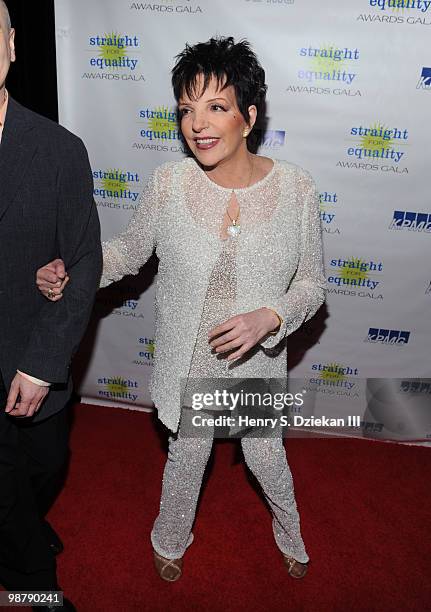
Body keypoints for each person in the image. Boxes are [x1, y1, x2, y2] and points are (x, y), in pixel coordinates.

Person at [37, 37, 326, 583]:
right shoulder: (168, 183)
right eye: (187, 110)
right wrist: (75, 272)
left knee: (269, 464)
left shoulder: (295, 188)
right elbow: (127, 252)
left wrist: (271, 317)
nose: (198, 124)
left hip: (255, 366)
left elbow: (313, 282)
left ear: (250, 116)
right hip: (189, 363)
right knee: (185, 464)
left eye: (216, 106)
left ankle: (291, 535)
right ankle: (169, 538)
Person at [0, 1, 102, 609]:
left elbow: (85, 260)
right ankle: (33, 584)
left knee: (44, 462)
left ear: (12, 45)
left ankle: (19, 531)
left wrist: (42, 363)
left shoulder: (59, 149)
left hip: (31, 352)